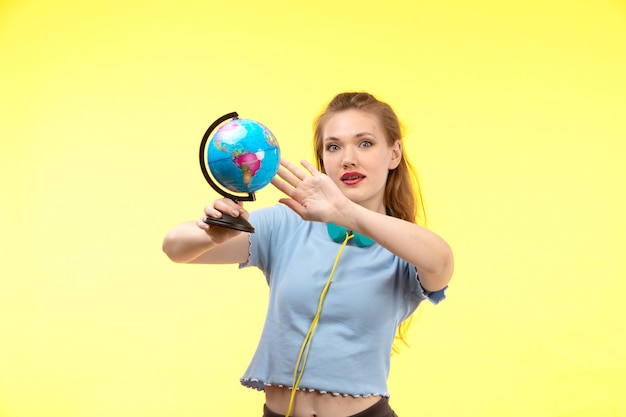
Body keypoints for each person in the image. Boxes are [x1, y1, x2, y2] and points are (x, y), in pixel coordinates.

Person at [162, 92, 454, 417]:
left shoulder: (404, 246)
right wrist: (212, 233)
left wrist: (346, 212)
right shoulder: (288, 224)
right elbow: (175, 247)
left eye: (365, 143)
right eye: (333, 146)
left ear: (394, 153)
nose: (348, 159)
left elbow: (441, 261)